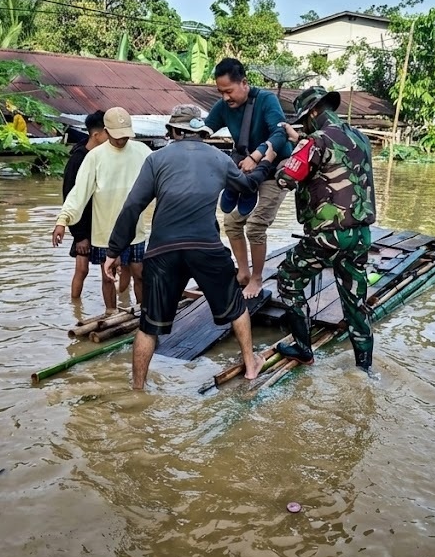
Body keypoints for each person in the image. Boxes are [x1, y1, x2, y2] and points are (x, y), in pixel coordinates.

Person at [103, 104, 279, 390]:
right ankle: (251, 364)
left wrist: (113, 252)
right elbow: (247, 187)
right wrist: (267, 162)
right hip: (205, 248)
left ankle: (137, 388)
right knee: (235, 306)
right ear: (199, 132)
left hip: (162, 252)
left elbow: (133, 206)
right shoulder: (219, 159)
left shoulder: (156, 159)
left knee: (149, 324)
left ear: (174, 131)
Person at [273, 86, 378, 377]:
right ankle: (365, 369)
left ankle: (304, 349)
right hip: (360, 235)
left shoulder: (315, 141)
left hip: (327, 236)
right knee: (354, 301)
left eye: (304, 119)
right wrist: (303, 142)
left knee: (288, 277)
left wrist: (285, 159)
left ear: (313, 112)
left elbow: (287, 179)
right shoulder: (361, 138)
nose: (303, 125)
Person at [205, 57, 292, 299]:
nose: (225, 98)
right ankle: (243, 273)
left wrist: (256, 156)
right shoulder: (225, 106)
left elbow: (280, 132)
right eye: (221, 92)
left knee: (255, 226)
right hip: (248, 172)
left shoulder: (266, 100)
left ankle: (256, 279)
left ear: (244, 83)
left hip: (274, 171)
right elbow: (204, 129)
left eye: (229, 91)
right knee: (231, 221)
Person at [52, 106, 151, 315]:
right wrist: (63, 220)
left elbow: (161, 182)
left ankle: (144, 314)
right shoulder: (94, 157)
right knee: (108, 275)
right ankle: (111, 313)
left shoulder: (142, 151)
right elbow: (79, 193)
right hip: (104, 231)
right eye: (117, 137)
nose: (122, 140)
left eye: (126, 136)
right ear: (106, 131)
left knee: (140, 273)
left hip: (135, 230)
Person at [61, 111, 108, 299]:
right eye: (109, 133)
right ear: (96, 135)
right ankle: (76, 308)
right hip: (84, 223)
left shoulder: (105, 156)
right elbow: (69, 198)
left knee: (109, 271)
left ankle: (117, 308)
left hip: (104, 222)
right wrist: (79, 235)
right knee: (82, 270)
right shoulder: (78, 159)